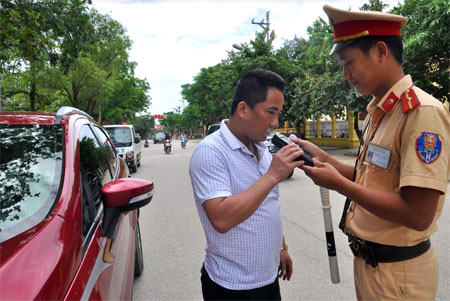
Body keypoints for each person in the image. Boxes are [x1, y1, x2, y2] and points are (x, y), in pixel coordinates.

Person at [294, 5, 450, 300]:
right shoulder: (382, 111)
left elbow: (418, 215)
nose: (344, 75)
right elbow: (371, 179)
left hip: (398, 274)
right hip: (371, 265)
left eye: (348, 62)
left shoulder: (421, 113)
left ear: (380, 51)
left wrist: (339, 185)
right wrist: (323, 158)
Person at [189, 69, 304, 300]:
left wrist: (281, 247)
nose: (275, 122)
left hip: (268, 278)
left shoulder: (261, 147)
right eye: (270, 112)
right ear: (243, 109)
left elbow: (267, 204)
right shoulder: (211, 152)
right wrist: (272, 175)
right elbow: (221, 219)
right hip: (232, 286)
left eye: (278, 113)